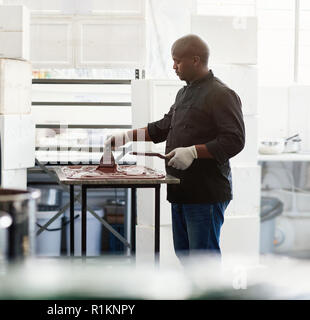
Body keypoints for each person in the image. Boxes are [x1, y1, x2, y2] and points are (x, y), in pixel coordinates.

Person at [105, 34, 245, 260]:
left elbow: (234, 140)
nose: (173, 66)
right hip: (181, 190)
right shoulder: (184, 92)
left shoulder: (221, 94)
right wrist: (126, 137)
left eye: (177, 60)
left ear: (196, 60)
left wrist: (193, 152)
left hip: (206, 192)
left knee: (202, 261)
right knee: (185, 256)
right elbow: (162, 128)